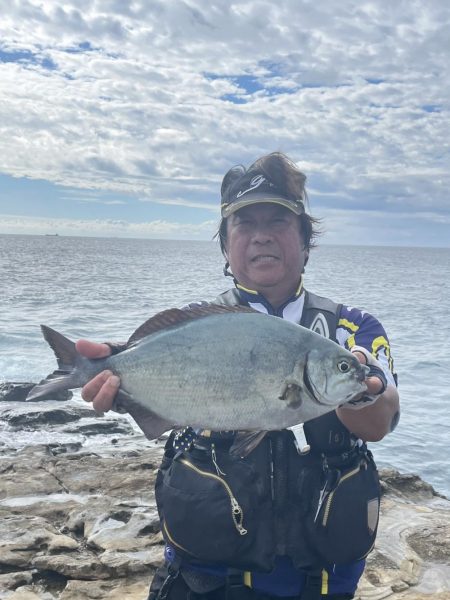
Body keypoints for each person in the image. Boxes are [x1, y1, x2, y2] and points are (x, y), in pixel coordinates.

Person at [78, 152, 399, 600]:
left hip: (319, 582)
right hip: (202, 581)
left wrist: (363, 386)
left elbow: (380, 422)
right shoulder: (193, 323)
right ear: (226, 245)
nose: (262, 235)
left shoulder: (352, 329)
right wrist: (120, 369)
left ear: (306, 240)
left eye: (279, 222)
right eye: (245, 223)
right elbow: (154, 377)